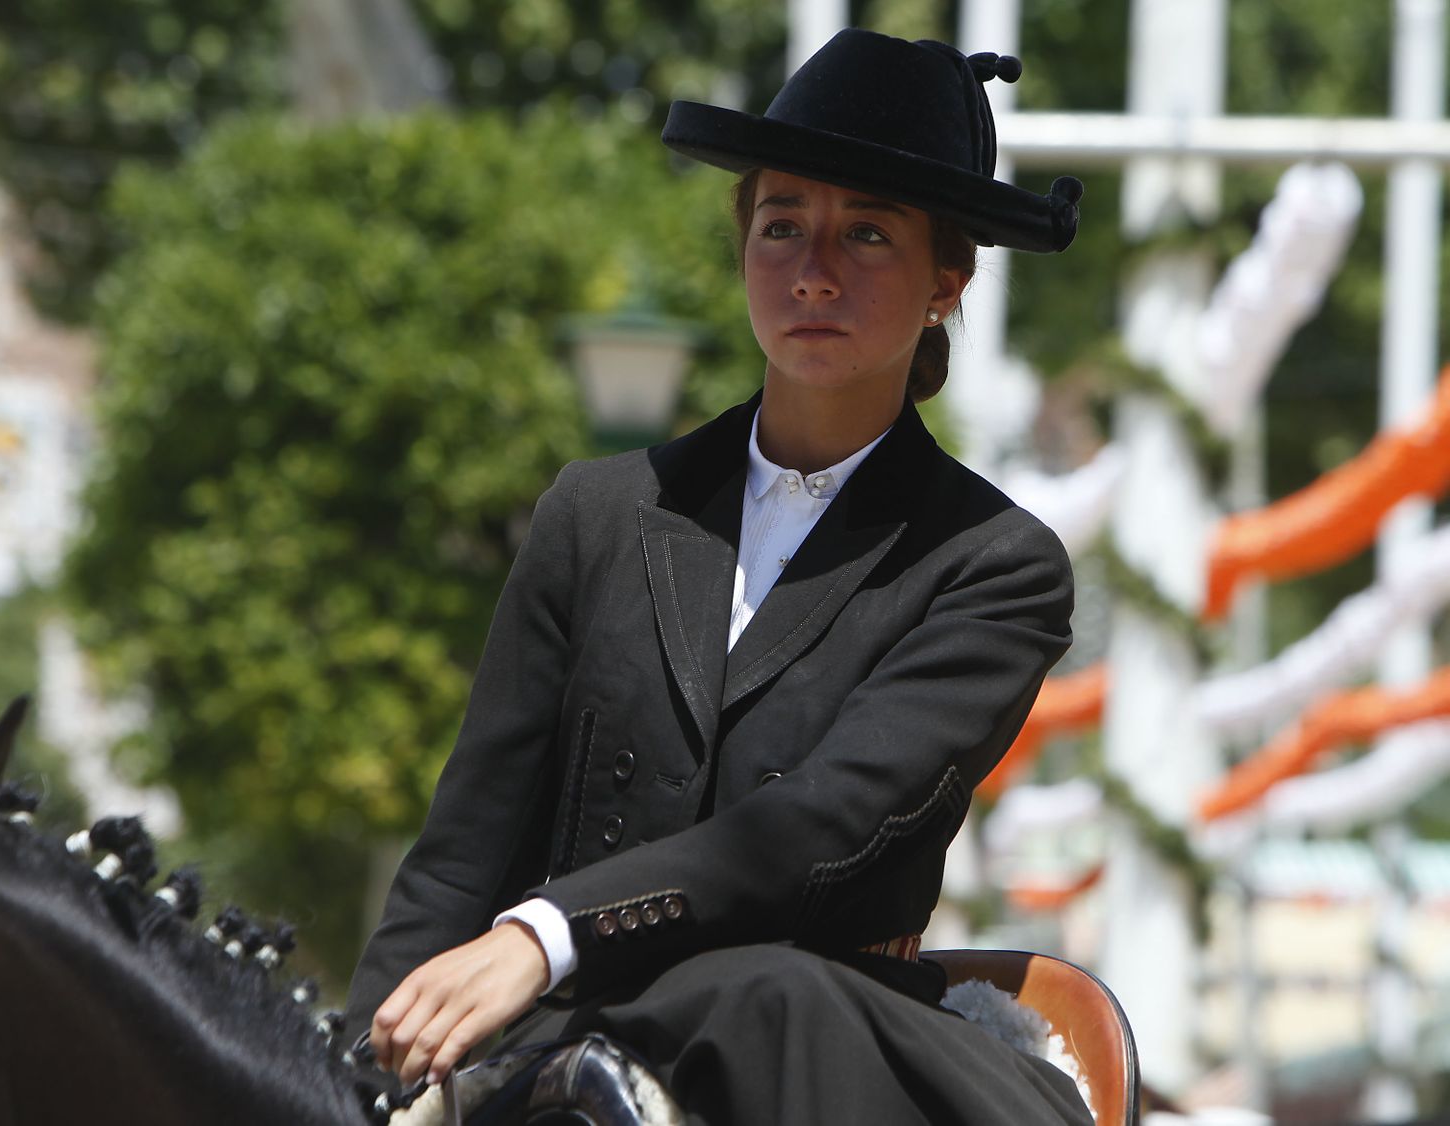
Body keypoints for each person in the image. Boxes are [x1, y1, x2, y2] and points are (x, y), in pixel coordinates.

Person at [345, 28, 1092, 1125]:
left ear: (947, 278)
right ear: (743, 241)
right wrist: (349, 1075)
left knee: (763, 992)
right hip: (557, 1049)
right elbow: (462, 855)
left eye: (868, 234)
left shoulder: (995, 566)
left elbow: (817, 826)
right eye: (781, 224)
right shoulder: (596, 512)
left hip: (810, 1055)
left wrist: (542, 936)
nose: (815, 269)